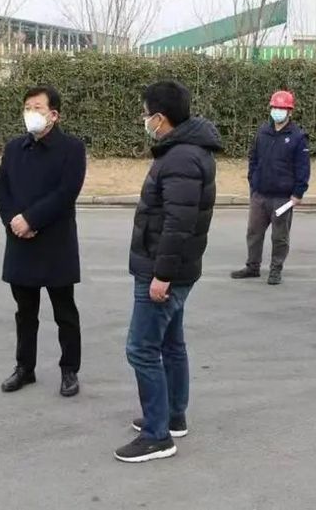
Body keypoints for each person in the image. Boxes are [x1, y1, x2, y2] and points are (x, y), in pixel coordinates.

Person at [114, 81, 222, 463]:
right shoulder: (186, 151)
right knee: (171, 343)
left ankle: (157, 436)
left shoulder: (180, 158)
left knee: (141, 348)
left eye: (146, 114)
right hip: (174, 267)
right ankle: (173, 416)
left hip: (163, 270)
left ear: (161, 118)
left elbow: (178, 224)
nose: (144, 120)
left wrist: (162, 276)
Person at [0, 86, 87, 398]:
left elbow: (66, 192)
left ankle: (69, 369)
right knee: (25, 311)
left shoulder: (71, 149)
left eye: (37, 107)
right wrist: (14, 221)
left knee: (64, 311)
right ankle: (25, 367)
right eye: (27, 108)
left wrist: (31, 219)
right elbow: (0, 188)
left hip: (55, 242)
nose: (30, 113)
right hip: (20, 241)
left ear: (53, 114)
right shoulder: (15, 148)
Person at [230, 90, 310, 286]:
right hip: (260, 194)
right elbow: (253, 158)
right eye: (275, 107)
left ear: (290, 112)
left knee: (279, 237)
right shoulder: (262, 132)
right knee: (253, 232)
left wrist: (298, 192)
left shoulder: (297, 137)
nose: (277, 111)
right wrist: (253, 182)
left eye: (282, 108)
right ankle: (252, 266)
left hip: (283, 197)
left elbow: (303, 167)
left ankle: (276, 269)